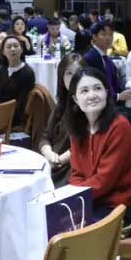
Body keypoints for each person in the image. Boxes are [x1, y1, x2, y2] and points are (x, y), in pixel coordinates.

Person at [66, 67, 131, 222]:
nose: (92, 95)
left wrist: (74, 197)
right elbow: (76, 173)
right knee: (50, 221)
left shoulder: (119, 126)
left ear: (106, 93)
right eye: (84, 91)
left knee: (66, 229)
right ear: (75, 99)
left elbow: (104, 181)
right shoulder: (78, 128)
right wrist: (74, 197)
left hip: (117, 206)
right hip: (91, 199)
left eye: (98, 88)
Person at [82, 22, 131, 139]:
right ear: (94, 36)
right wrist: (118, 96)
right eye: (103, 34)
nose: (108, 38)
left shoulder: (106, 58)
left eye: (110, 34)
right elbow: (94, 89)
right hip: (102, 109)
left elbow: (115, 83)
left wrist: (124, 93)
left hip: (113, 104)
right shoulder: (91, 57)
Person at [39, 53, 86, 187]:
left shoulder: (87, 106)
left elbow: (85, 145)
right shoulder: (61, 105)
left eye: (78, 72)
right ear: (61, 77)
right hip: (52, 162)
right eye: (69, 73)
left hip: (73, 167)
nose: (73, 77)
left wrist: (59, 160)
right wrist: (48, 152)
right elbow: (45, 136)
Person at [0, 36, 36, 126]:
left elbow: (22, 103)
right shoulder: (0, 70)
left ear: (21, 49)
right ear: (3, 52)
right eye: (9, 47)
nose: (13, 49)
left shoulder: (27, 73)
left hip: (14, 117)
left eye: (16, 46)